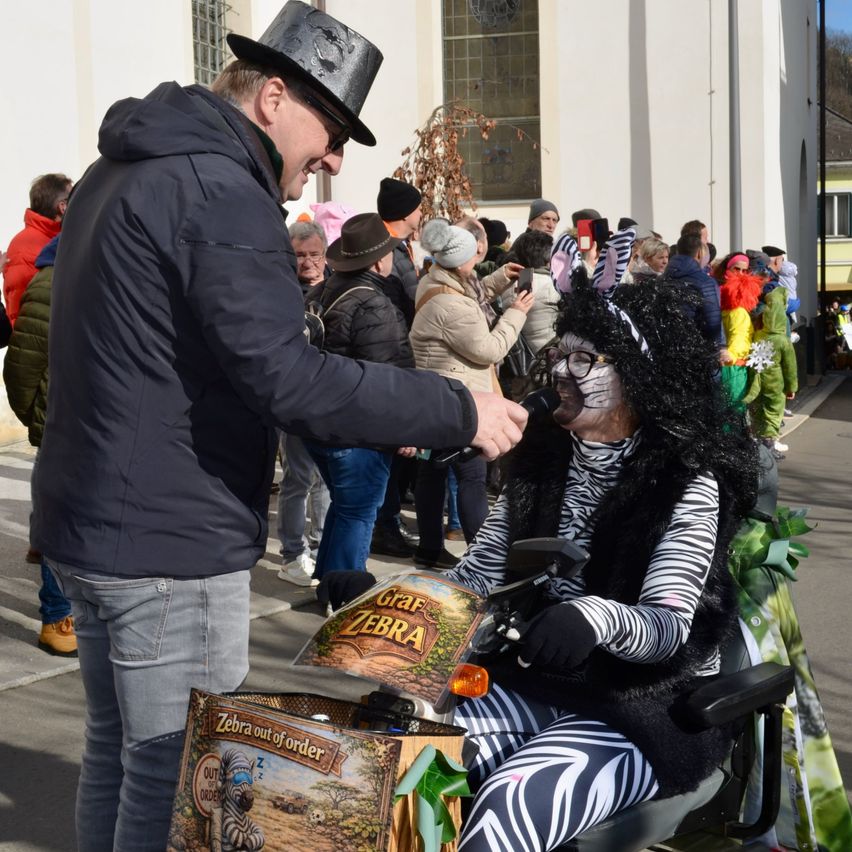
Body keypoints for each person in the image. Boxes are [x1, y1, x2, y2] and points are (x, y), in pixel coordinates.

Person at [29, 4, 527, 850]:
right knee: (179, 773)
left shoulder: (131, 169)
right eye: (331, 128)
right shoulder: (218, 189)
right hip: (164, 541)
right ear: (271, 97)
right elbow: (287, 378)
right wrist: (459, 407)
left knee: (119, 755)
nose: (332, 157)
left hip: (99, 522)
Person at [446, 270, 759, 850]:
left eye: (584, 360)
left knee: (513, 800)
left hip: (643, 701)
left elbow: (668, 630)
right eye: (559, 356)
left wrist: (595, 617)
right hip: (535, 679)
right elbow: (474, 578)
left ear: (638, 378)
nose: (563, 371)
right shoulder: (541, 464)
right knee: (409, 758)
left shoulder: (684, 480)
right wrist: (396, 599)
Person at [410, 218, 532, 568]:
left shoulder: (434, 281)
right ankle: (483, 557)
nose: (478, 258)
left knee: (432, 473)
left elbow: (470, 296)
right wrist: (516, 313)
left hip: (437, 394)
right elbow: (490, 349)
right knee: (472, 476)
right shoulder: (452, 305)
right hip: (459, 400)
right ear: (462, 259)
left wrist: (498, 279)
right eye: (473, 255)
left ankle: (430, 548)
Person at [304, 212, 416, 580]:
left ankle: (328, 584)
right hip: (358, 428)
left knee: (346, 504)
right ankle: (345, 591)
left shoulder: (321, 291)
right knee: (359, 511)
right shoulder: (374, 304)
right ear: (379, 260)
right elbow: (387, 378)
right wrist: (404, 430)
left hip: (318, 418)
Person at [2, 234, 77, 656]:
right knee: (61, 518)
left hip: (113, 425)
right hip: (63, 423)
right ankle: (57, 614)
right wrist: (40, 421)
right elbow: (21, 365)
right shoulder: (50, 283)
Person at [275, 219, 330, 585]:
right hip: (294, 400)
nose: (308, 262)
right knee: (298, 479)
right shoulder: (280, 290)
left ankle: (321, 542)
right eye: (300, 255)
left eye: (314, 254)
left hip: (330, 401)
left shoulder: (335, 290)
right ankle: (292, 554)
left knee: (325, 479)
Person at [2, 173, 72, 326]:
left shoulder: (52, 240)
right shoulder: (27, 247)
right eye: (74, 198)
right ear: (62, 206)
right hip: (39, 343)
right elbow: (19, 314)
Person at [742, 285, 797, 458]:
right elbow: (790, 368)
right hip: (775, 383)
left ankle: (758, 444)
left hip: (756, 379)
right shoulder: (783, 340)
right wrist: (791, 387)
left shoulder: (758, 334)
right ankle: (769, 445)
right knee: (773, 411)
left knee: (757, 409)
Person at [714, 253, 764, 412]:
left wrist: (732, 354)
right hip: (723, 364)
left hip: (734, 365)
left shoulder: (739, 311)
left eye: (744, 271)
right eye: (737, 269)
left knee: (733, 410)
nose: (741, 275)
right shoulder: (719, 297)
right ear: (726, 269)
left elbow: (741, 335)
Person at [663, 231, 723, 347]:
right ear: (699, 253)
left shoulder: (662, 279)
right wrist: (717, 348)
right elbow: (713, 321)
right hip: (696, 348)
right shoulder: (705, 282)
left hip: (666, 346)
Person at [377, 176, 422, 307]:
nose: (421, 213)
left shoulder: (400, 245)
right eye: (418, 208)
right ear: (406, 213)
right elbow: (393, 302)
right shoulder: (386, 250)